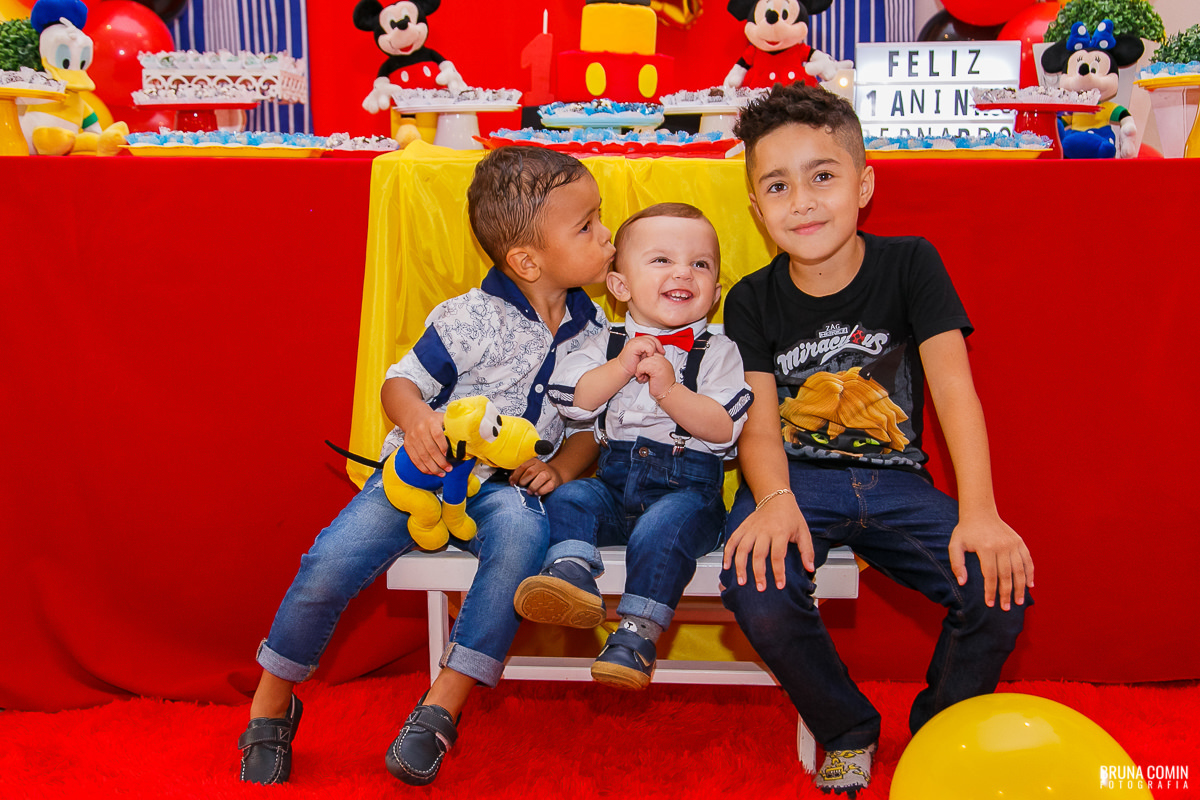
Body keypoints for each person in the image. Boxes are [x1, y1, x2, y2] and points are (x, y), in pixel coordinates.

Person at [236, 146, 615, 787]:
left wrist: (564, 469)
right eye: (587, 226)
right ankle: (272, 699)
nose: (607, 235)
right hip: (423, 473)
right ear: (527, 260)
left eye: (599, 218)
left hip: (504, 489)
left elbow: (590, 429)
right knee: (329, 561)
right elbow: (400, 383)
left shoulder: (598, 331)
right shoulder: (469, 317)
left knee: (522, 539)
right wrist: (416, 421)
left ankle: (443, 703)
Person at [719, 84, 1035, 797]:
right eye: (778, 185)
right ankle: (846, 728)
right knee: (756, 587)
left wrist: (980, 512)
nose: (802, 202)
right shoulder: (751, 299)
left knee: (998, 588)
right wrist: (772, 499)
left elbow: (954, 392)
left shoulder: (910, 263)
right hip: (796, 480)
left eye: (822, 176)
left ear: (863, 186)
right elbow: (758, 422)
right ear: (757, 208)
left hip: (895, 481)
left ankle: (941, 730)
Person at [513, 203, 753, 690]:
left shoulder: (720, 351)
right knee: (571, 497)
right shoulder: (603, 342)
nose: (683, 272)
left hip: (689, 495)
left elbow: (724, 429)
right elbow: (574, 402)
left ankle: (636, 635)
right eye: (661, 260)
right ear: (620, 287)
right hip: (614, 482)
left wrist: (670, 391)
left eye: (700, 264)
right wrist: (621, 366)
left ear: (715, 293)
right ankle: (572, 574)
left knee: (661, 529)